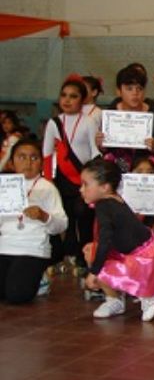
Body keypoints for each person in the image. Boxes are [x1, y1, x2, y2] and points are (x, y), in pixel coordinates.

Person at [81, 159, 154, 321]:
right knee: (94, 254)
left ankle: (148, 294)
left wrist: (93, 272)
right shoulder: (112, 199)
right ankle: (114, 300)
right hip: (134, 250)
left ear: (104, 187)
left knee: (99, 263)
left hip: (144, 255)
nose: (81, 189)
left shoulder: (105, 206)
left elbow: (106, 238)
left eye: (86, 184)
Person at [42, 76, 101, 270]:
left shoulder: (89, 122)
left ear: (82, 99)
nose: (67, 100)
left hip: (84, 180)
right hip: (61, 180)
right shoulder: (54, 123)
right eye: (64, 95)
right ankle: (61, 255)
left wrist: (93, 179)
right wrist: (48, 182)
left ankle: (84, 258)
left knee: (84, 218)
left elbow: (95, 152)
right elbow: (46, 154)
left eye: (73, 96)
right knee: (63, 218)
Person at [0, 139, 67, 304]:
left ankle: (40, 280)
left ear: (41, 163)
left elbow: (62, 224)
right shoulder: (4, 186)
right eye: (21, 157)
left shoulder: (48, 188)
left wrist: (44, 216)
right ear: (11, 162)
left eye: (34, 157)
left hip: (32, 248)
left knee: (17, 296)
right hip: (4, 247)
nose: (28, 162)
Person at [95, 65, 154, 172]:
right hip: (116, 166)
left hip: (143, 169)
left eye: (139, 88)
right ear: (119, 91)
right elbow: (107, 149)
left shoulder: (152, 114)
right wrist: (102, 145)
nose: (135, 93)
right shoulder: (112, 113)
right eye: (129, 88)